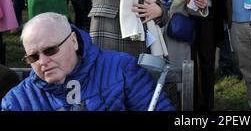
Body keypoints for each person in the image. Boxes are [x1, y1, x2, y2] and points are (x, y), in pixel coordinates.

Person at [1, 12, 174, 111]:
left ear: (74, 41)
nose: (43, 62)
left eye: (50, 50)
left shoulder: (122, 69)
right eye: (33, 57)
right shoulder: (17, 101)